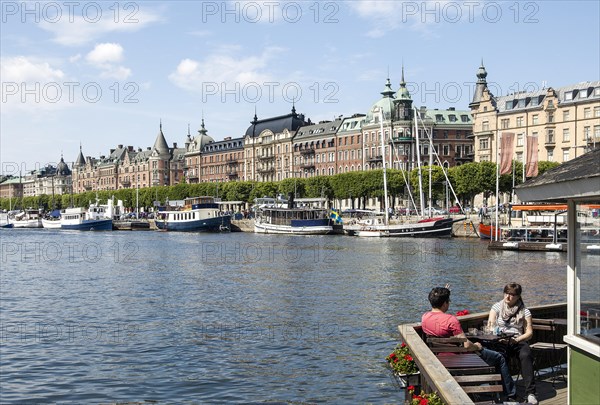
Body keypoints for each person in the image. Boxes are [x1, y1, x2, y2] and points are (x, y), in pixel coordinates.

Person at [422, 285, 516, 400]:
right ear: (445, 303)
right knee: (499, 358)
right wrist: (477, 347)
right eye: (448, 301)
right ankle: (509, 396)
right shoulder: (450, 320)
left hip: (439, 358)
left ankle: (493, 391)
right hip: (458, 359)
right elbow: (466, 345)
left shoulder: (425, 317)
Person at [487, 283, 537, 405]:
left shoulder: (525, 311)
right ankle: (506, 393)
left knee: (526, 355)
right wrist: (498, 336)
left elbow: (529, 332)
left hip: (517, 340)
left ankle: (530, 393)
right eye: (506, 293)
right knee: (500, 357)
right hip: (501, 340)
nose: (508, 296)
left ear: (518, 296)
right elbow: (490, 326)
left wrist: (517, 340)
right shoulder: (497, 307)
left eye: (512, 294)